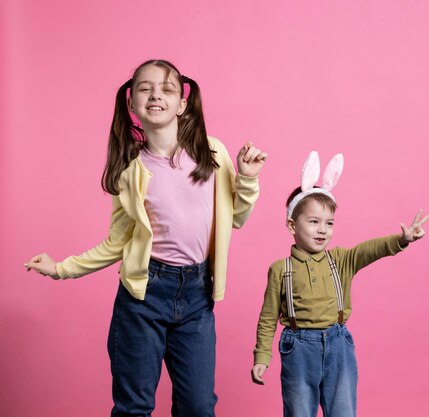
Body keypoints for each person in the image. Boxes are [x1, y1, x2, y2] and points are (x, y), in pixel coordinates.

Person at [24, 59, 267, 417]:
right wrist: (61, 268)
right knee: (134, 407)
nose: (156, 94)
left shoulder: (212, 153)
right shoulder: (130, 171)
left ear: (182, 104)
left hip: (197, 296)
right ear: (131, 103)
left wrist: (246, 179)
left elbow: (237, 218)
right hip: (143, 297)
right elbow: (116, 243)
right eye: (145, 88)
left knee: (198, 407)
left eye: (167, 88)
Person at [250, 151, 429, 417]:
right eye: (314, 222)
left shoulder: (341, 260)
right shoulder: (280, 269)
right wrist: (261, 357)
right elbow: (267, 318)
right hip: (298, 349)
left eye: (329, 223)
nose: (322, 230)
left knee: (343, 410)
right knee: (299, 411)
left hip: (338, 345)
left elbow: (370, 250)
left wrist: (401, 240)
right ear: (292, 224)